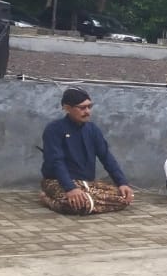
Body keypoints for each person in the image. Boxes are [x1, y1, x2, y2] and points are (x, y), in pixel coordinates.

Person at [39, 87, 134, 215]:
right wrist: (71, 188)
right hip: (57, 181)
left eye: (89, 107)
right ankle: (48, 199)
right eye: (82, 108)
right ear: (67, 108)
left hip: (87, 184)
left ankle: (85, 199)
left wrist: (122, 183)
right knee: (76, 205)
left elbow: (106, 157)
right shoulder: (54, 130)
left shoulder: (92, 130)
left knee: (125, 197)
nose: (87, 111)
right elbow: (56, 162)